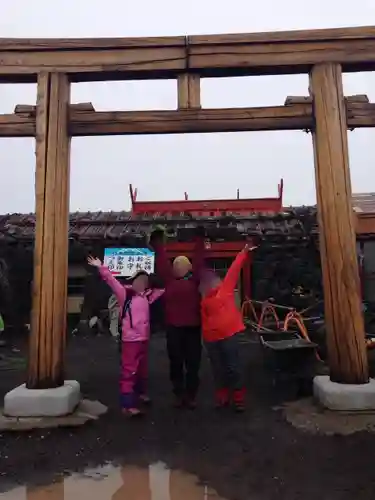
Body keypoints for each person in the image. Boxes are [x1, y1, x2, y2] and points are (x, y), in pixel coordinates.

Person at [87, 256, 164, 417]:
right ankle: (127, 405)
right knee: (129, 371)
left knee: (142, 369)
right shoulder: (125, 294)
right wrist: (101, 267)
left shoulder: (149, 296)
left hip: (144, 338)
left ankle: (140, 394)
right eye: (139, 279)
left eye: (144, 280)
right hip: (130, 340)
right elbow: (111, 280)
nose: (141, 282)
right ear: (133, 280)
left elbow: (166, 287)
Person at [149, 226, 205, 409]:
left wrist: (199, 239)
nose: (178, 267)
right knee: (176, 363)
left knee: (193, 364)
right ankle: (179, 394)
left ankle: (191, 395)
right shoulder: (169, 280)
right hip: (174, 329)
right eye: (176, 265)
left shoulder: (194, 279)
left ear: (188, 267)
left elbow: (199, 260)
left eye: (183, 264)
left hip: (192, 329)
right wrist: (158, 243)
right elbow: (161, 260)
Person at [199, 244, 257, 412]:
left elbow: (234, 267)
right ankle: (223, 397)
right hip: (211, 339)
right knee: (219, 369)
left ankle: (237, 398)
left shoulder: (224, 289)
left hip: (228, 336)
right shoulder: (202, 298)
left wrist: (244, 251)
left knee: (233, 366)